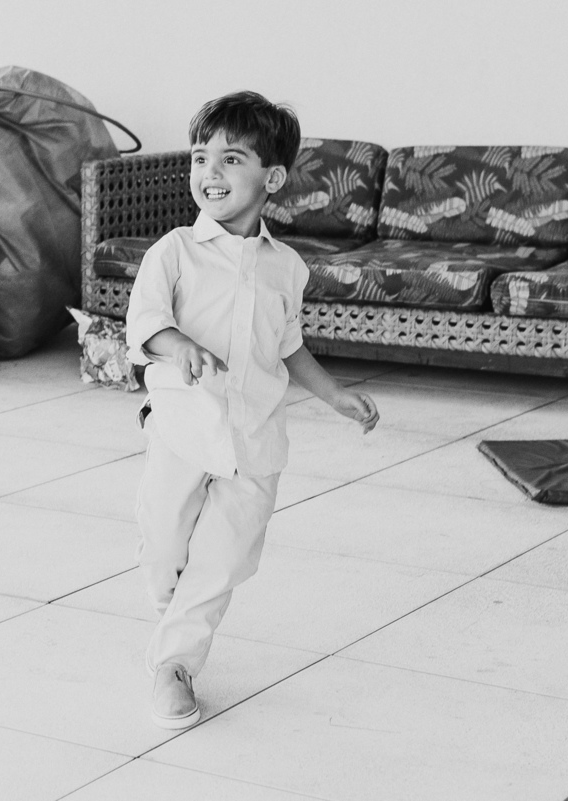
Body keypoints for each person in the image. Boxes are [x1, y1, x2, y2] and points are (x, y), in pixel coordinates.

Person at [125, 91, 379, 729]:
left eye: (230, 158)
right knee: (164, 549)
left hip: (255, 437)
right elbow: (145, 322)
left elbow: (288, 346)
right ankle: (174, 619)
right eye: (200, 157)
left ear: (272, 178)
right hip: (183, 430)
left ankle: (174, 666)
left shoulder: (287, 267)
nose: (209, 172)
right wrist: (178, 345)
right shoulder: (173, 251)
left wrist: (335, 395)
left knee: (224, 559)